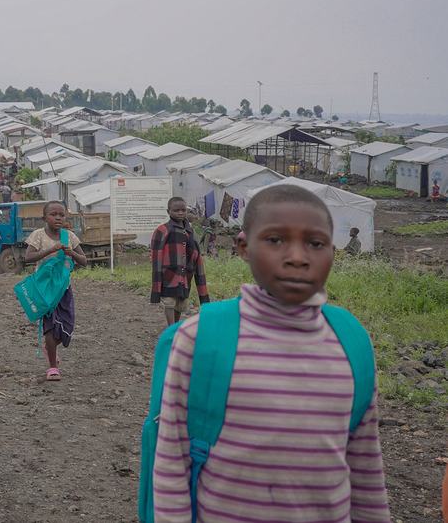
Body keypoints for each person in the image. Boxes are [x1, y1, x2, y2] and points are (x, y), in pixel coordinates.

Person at [151, 184, 391, 521]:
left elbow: (366, 469)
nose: (297, 256)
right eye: (276, 240)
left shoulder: (351, 343)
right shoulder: (201, 338)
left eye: (316, 243)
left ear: (333, 253)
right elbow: (172, 459)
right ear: (244, 248)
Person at [22, 202, 88, 380]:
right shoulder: (38, 235)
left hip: (63, 289)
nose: (58, 218)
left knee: (67, 325)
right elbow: (28, 258)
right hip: (45, 290)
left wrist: (71, 253)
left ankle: (50, 348)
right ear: (45, 218)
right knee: (50, 328)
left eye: (61, 214)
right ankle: (52, 367)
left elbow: (84, 261)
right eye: (53, 214)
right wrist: (50, 250)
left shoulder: (69, 237)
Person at [150, 197, 210, 326]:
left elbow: (196, 254)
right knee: (169, 302)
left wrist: (194, 270)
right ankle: (171, 328)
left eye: (183, 210)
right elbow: (156, 257)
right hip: (168, 274)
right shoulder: (162, 230)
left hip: (185, 274)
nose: (180, 213)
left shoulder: (190, 231)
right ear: (168, 211)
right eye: (176, 210)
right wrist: (156, 285)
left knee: (180, 303)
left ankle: (175, 327)